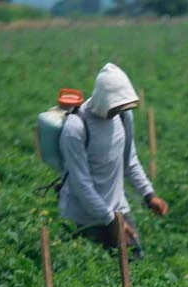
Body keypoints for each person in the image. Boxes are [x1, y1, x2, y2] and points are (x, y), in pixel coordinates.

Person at [58, 63, 168, 259]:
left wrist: (149, 195)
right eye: (115, 107)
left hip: (118, 211)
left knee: (134, 266)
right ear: (103, 99)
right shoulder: (76, 127)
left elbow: (129, 161)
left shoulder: (124, 115)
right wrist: (112, 220)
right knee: (90, 275)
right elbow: (81, 183)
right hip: (83, 218)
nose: (118, 111)